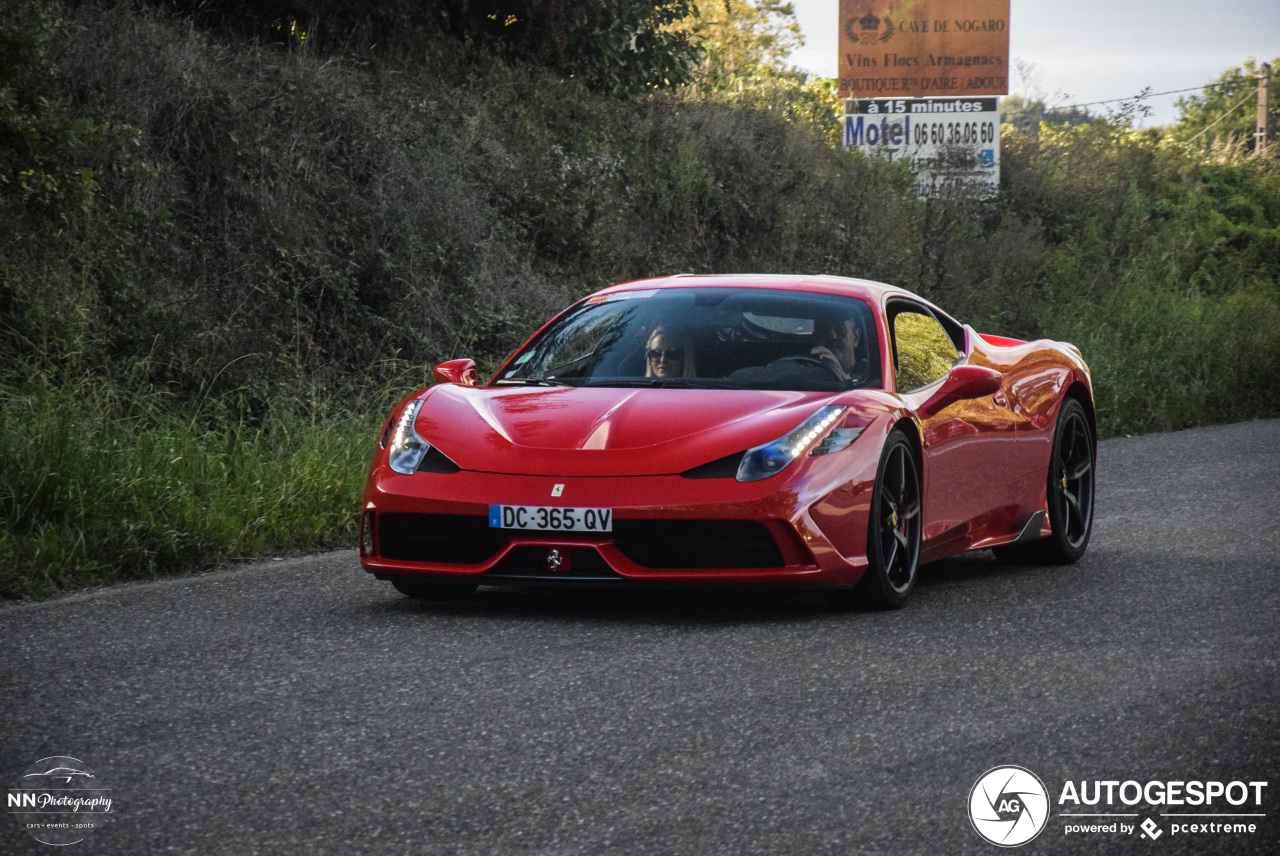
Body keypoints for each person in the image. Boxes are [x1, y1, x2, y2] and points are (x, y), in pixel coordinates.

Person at [810, 314, 867, 383]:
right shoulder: (805, 371)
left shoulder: (869, 374)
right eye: (824, 330)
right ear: (815, 337)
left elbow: (865, 392)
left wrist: (840, 374)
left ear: (856, 337)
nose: (832, 336)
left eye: (840, 329)